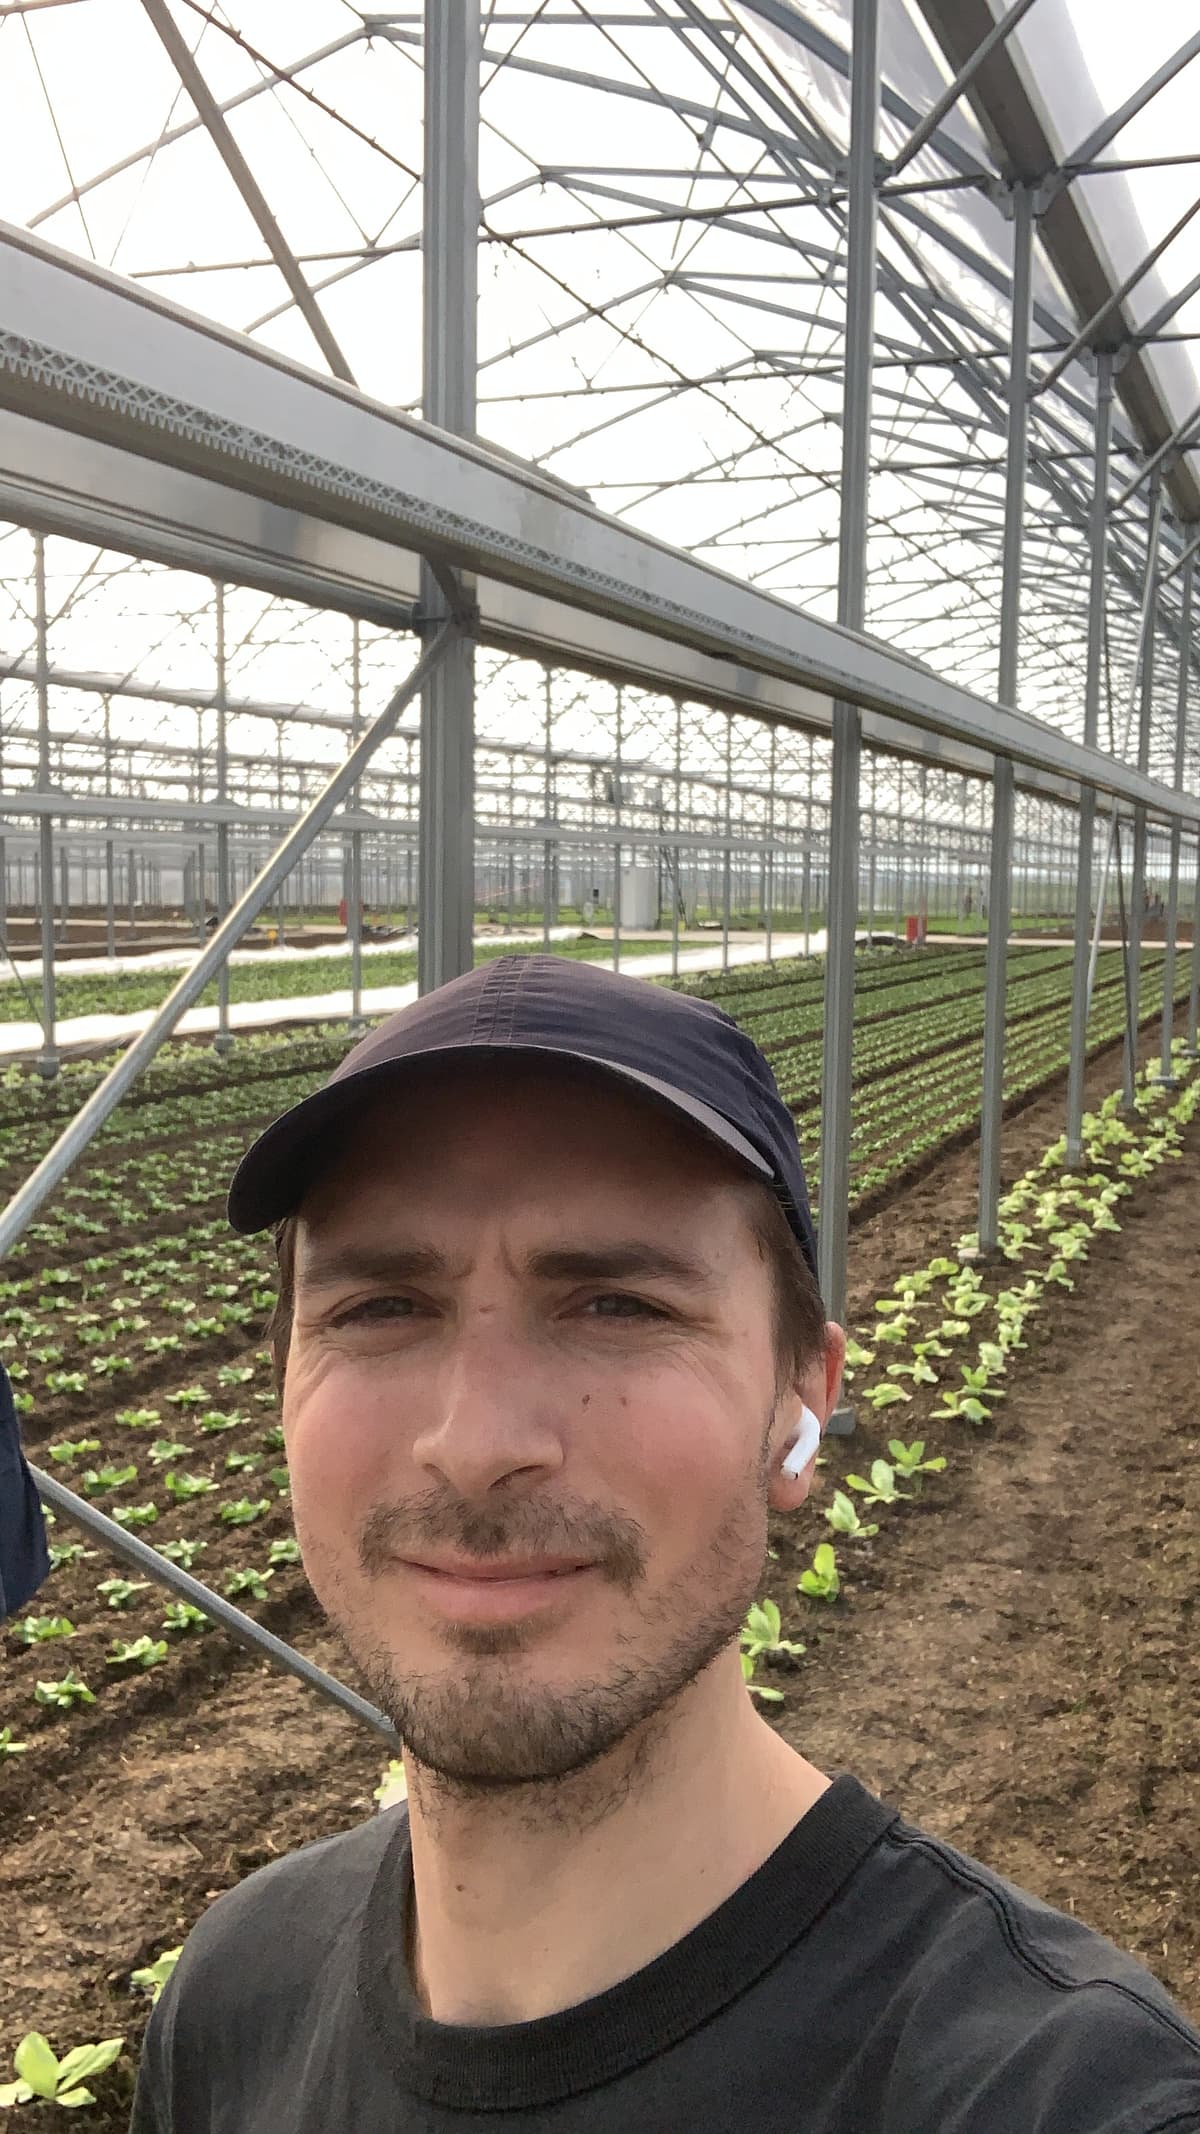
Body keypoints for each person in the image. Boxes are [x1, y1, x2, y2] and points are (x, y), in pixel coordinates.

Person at [129, 957, 1200, 2133]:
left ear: (801, 1398)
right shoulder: (231, 2004)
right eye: (381, 1307)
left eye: (618, 1306)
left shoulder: (1059, 2096)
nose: (476, 1442)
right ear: (282, 1380)